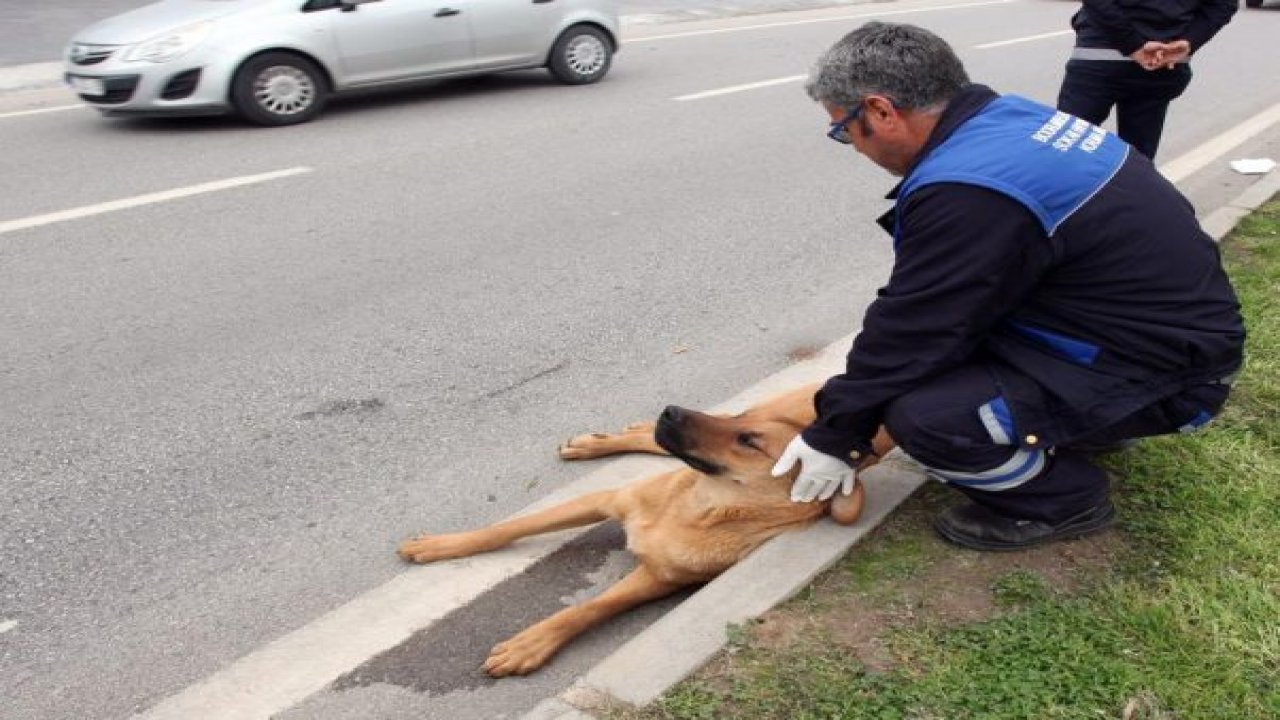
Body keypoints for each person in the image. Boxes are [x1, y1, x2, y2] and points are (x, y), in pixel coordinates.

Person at [770, 22, 1245, 551]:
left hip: (1171, 376)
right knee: (941, 364)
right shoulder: (1011, 121)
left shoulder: (969, 189)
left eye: (843, 130)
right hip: (1165, 337)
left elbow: (916, 326)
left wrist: (836, 435)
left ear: (881, 111)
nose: (851, 146)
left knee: (926, 420)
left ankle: (1064, 500)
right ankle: (1086, 424)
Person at [1056, 0, 1237, 160]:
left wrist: (1133, 45)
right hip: (1162, 60)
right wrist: (1189, 40)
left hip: (1099, 55)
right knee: (1137, 159)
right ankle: (1131, 197)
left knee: (1066, 146)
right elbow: (1223, 4)